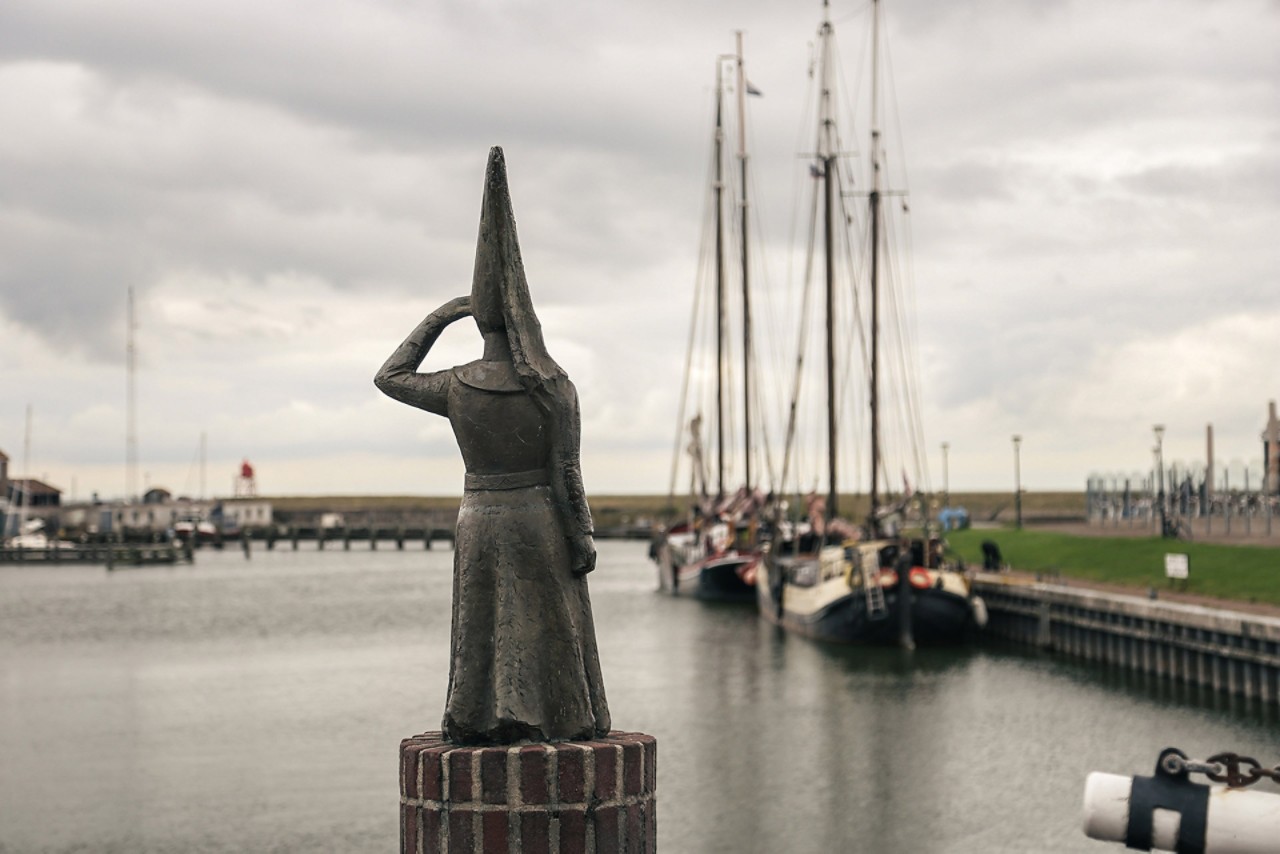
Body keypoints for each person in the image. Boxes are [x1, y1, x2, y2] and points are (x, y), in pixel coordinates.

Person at [375, 147, 609, 744]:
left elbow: (391, 376)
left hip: (479, 517)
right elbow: (568, 473)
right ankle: (565, 715)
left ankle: (478, 715)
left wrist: (441, 315)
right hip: (538, 520)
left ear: (480, 316)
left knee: (482, 625)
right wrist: (581, 536)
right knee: (553, 621)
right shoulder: (554, 385)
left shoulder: (457, 385)